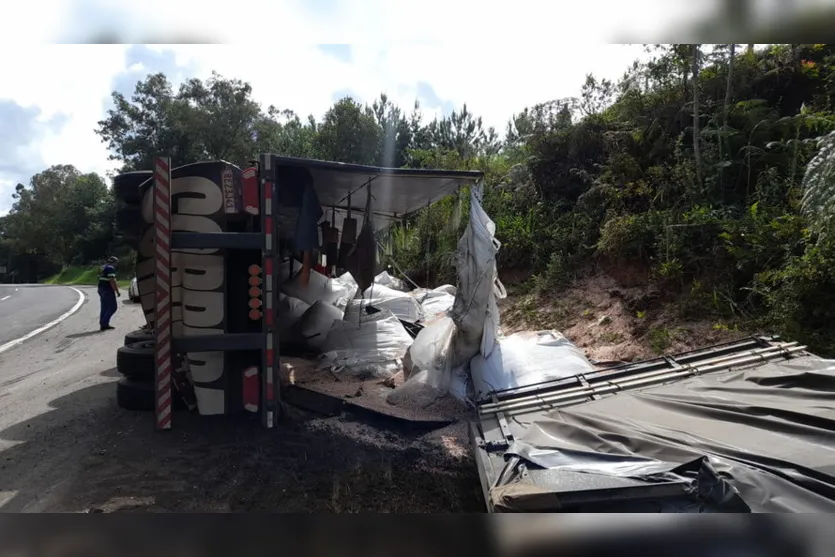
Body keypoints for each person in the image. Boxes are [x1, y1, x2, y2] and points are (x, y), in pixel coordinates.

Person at [98, 256, 121, 331]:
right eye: (116, 263)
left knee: (104, 307)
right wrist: (117, 291)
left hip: (101, 288)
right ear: (114, 262)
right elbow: (112, 280)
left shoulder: (103, 267)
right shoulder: (110, 268)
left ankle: (103, 324)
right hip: (107, 290)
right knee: (113, 307)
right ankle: (104, 323)